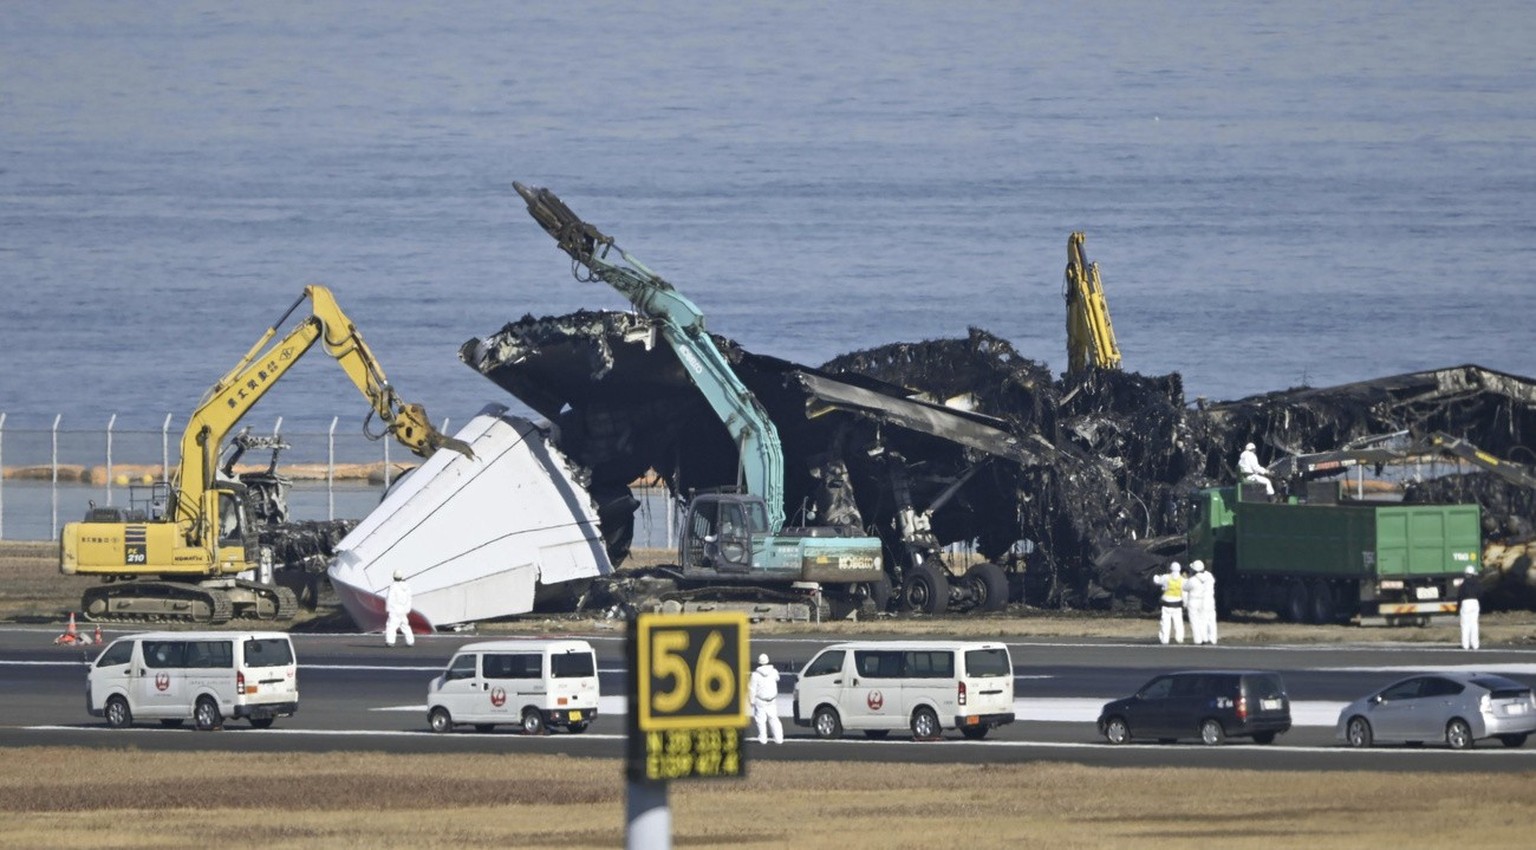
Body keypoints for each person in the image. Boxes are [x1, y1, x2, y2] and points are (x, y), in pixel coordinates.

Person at [750, 653, 784, 744]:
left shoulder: (755, 675)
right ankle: (779, 739)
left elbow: (752, 689)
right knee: (774, 719)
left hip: (760, 701)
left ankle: (763, 739)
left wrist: (751, 701)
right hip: (772, 701)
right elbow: (777, 678)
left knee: (761, 721)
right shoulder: (774, 671)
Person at [1185, 560, 1218, 645]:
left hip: (1202, 600)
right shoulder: (1209, 576)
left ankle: (1204, 638)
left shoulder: (1194, 579)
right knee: (1212, 621)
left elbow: (1185, 587)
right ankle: (1213, 639)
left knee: (1202, 621)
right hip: (1211, 600)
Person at [1152, 562, 1186, 644]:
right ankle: (1179, 638)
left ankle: (1165, 639)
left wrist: (1155, 575)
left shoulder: (1166, 577)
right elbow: (1185, 594)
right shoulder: (1183, 580)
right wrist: (1185, 604)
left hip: (1166, 604)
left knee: (1165, 623)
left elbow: (1156, 580)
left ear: (1170, 569)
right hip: (1177, 605)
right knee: (1178, 623)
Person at [384, 570, 415, 647]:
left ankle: (390, 641)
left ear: (394, 577)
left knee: (391, 625)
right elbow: (409, 599)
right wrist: (407, 609)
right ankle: (410, 641)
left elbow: (390, 598)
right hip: (403, 609)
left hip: (395, 609)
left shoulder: (393, 586)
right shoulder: (407, 587)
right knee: (405, 625)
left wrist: (388, 609)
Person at [1457, 565, 1482, 650]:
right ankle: (1475, 644)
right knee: (1474, 624)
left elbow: (1459, 596)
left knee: (1465, 625)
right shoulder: (1477, 583)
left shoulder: (1463, 584)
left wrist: (1457, 608)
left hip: (1465, 603)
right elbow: (1480, 593)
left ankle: (1465, 645)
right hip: (1475, 602)